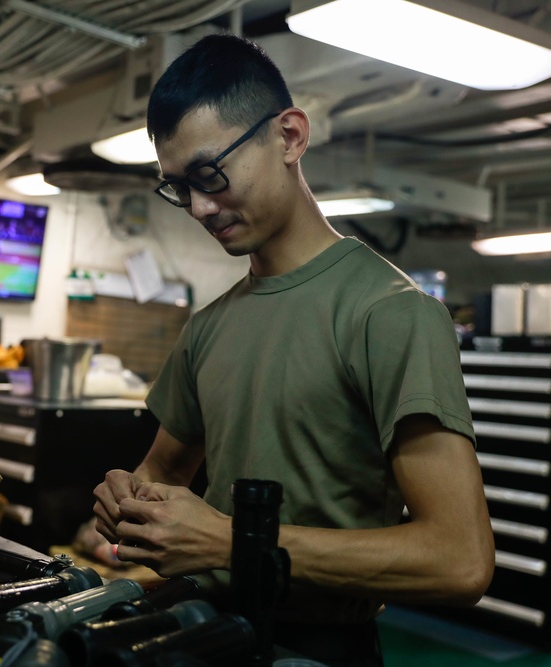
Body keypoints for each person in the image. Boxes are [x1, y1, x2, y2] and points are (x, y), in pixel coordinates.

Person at [91, 34, 494, 666]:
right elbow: (164, 472)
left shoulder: (390, 312)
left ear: (289, 137)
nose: (199, 206)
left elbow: (460, 559)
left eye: (210, 174)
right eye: (178, 188)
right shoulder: (208, 327)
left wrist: (230, 542)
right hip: (203, 631)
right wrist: (127, 500)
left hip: (320, 649)